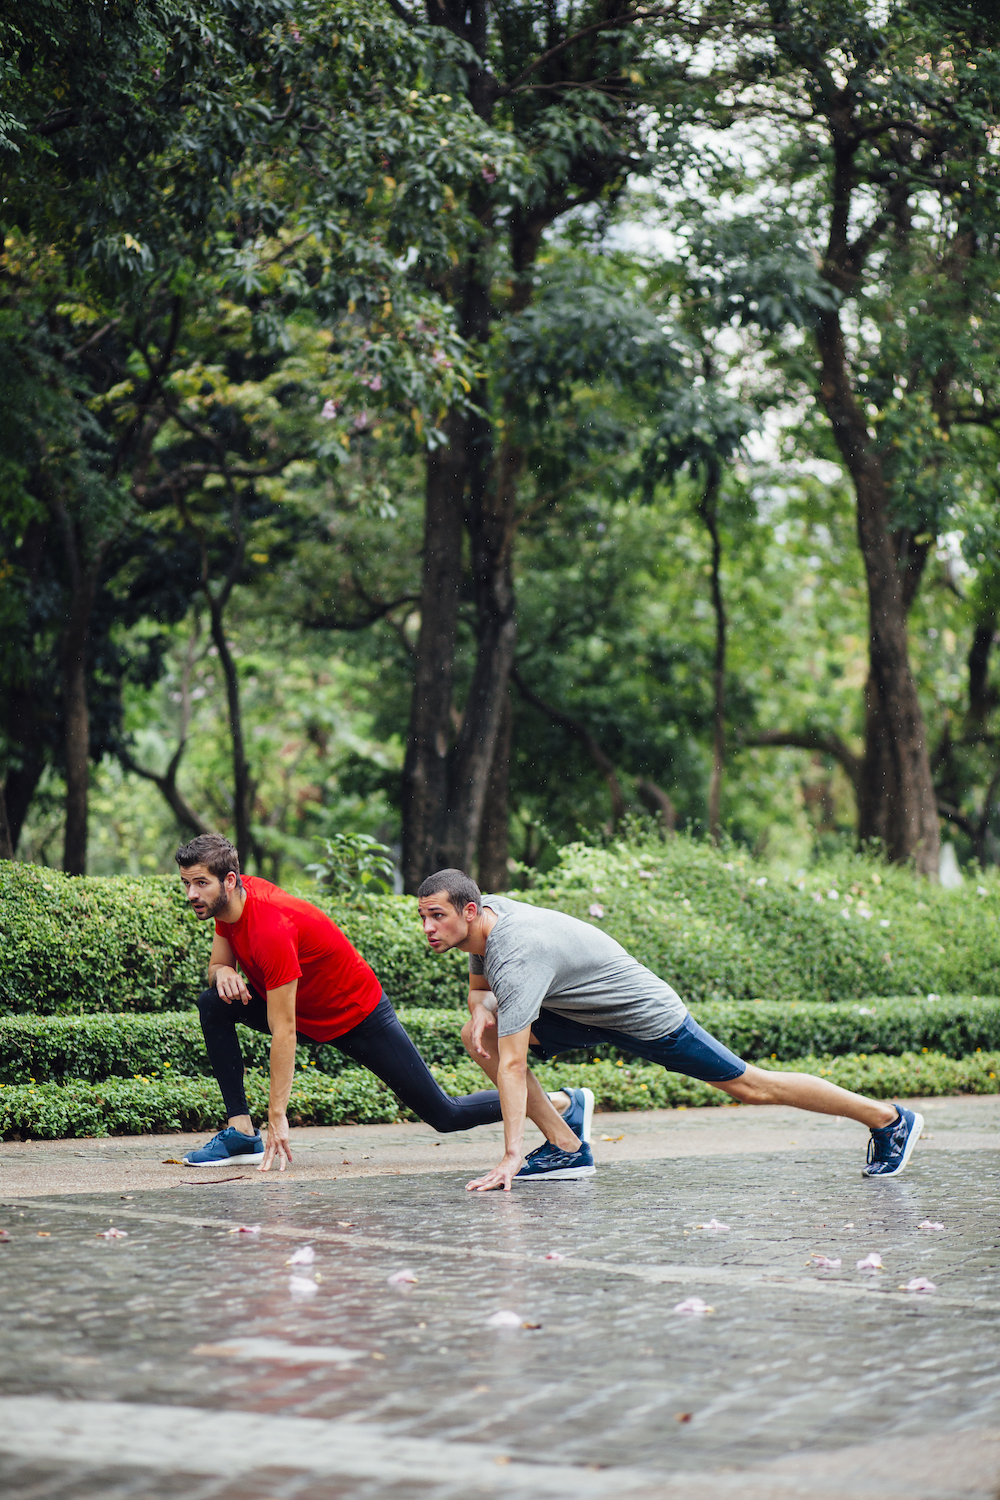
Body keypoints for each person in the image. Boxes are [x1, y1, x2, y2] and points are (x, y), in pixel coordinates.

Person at [415, 868, 924, 1192]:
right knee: (475, 1033)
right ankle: (566, 1147)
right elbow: (482, 967)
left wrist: (508, 1157)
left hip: (646, 1017)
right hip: (584, 1012)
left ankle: (887, 1119)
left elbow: (513, 1063)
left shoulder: (518, 952)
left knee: (750, 1086)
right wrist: (481, 1003)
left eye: (438, 917)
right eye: (423, 918)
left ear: (470, 911)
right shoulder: (490, 913)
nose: (429, 929)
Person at [176, 834, 592, 1171]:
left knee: (444, 1115)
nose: (192, 894)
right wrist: (224, 973)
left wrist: (278, 1117)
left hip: (357, 1016)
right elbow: (218, 965)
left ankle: (563, 1102)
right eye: (187, 884)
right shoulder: (227, 909)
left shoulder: (270, 925)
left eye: (201, 884)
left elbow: (284, 1031)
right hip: (307, 1012)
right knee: (213, 1003)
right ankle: (240, 1132)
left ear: (230, 880)